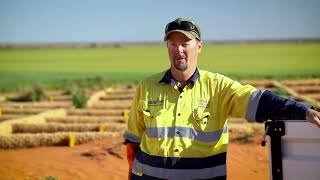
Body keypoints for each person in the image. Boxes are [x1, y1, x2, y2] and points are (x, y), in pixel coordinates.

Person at [123, 17, 320, 180]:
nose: (179, 50)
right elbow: (133, 142)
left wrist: (302, 110)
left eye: (185, 43)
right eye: (173, 44)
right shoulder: (147, 87)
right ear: (167, 46)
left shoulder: (219, 87)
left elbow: (257, 100)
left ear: (199, 46)